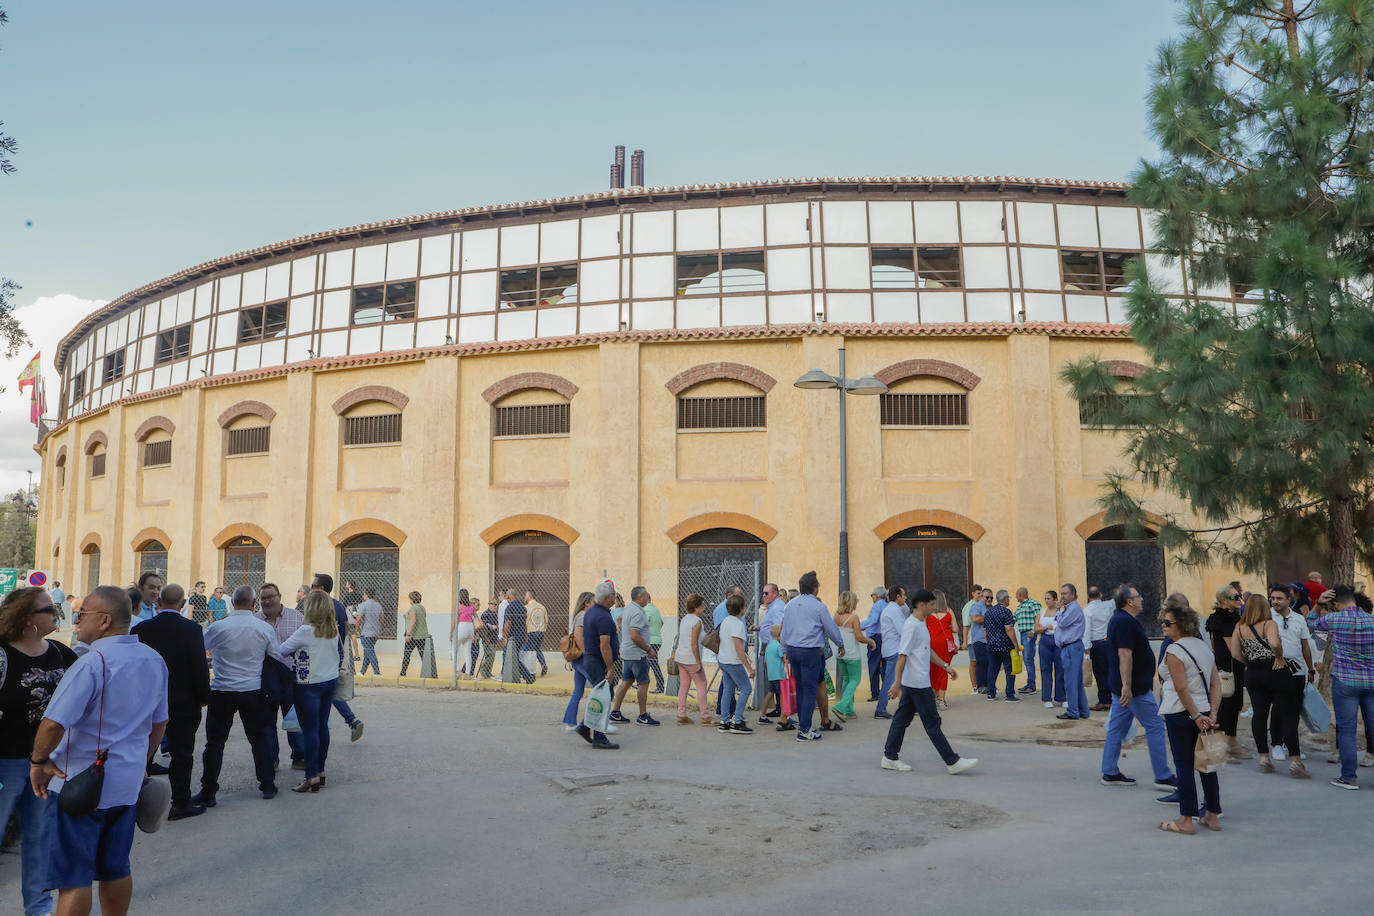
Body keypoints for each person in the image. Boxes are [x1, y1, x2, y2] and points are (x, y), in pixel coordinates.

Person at [29, 586, 169, 916]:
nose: (77, 621)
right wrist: (142, 761)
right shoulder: (154, 659)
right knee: (116, 867)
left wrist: (38, 761)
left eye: (84, 615)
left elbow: (53, 724)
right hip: (126, 783)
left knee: (74, 877)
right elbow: (159, 723)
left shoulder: (94, 663)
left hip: (81, 784)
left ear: (104, 621)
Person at [0, 586, 77, 916]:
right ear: (28, 619)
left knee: (39, 840)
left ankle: (38, 910)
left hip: (47, 764)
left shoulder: (61, 652)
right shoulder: (3, 655)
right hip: (5, 763)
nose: (56, 614)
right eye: (49, 609)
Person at [194, 585, 280, 806]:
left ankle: (209, 791)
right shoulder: (263, 628)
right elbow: (275, 655)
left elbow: (201, 648)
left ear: (232, 603)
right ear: (254, 604)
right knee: (259, 739)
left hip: (223, 689)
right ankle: (267, 784)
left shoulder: (219, 627)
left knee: (215, 742)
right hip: (253, 689)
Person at [131, 583, 211, 820]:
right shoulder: (191, 629)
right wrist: (204, 696)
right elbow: (199, 666)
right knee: (182, 753)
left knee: (143, 749)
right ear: (184, 602)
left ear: (159, 602)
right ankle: (180, 802)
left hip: (149, 700)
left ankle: (131, 798)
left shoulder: (143, 628)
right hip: (183, 702)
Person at [881, 588, 978, 775]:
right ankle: (952, 761)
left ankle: (890, 757)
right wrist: (897, 682)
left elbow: (927, 650)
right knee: (932, 722)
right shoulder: (911, 626)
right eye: (932, 604)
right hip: (918, 683)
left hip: (916, 682)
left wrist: (945, 666)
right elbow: (902, 656)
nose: (934, 607)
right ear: (922, 605)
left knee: (901, 720)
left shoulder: (921, 623)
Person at [1099, 584, 1177, 792]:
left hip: (1125, 687)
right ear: (1129, 602)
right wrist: (1127, 686)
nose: (1142, 598)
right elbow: (1125, 654)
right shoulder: (1124, 622)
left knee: (1116, 728)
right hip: (1133, 689)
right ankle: (1163, 776)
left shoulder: (1122, 620)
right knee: (1155, 726)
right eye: (1138, 596)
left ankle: (1109, 771)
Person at [1156, 604, 1223, 834]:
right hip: (1205, 711)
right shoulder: (1204, 648)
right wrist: (1212, 713)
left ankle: (1186, 819)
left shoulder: (1175, 651)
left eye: (1167, 623)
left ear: (1181, 625)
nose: (1163, 626)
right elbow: (1216, 683)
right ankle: (1212, 815)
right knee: (1208, 764)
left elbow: (1181, 689)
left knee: (1184, 765)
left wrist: (1195, 715)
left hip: (1181, 712)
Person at [278, 592, 341, 793]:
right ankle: (320, 771)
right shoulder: (333, 630)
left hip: (307, 684)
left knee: (309, 730)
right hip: (328, 681)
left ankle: (311, 775)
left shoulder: (305, 631)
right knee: (322, 727)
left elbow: (281, 650)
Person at [1312, 584, 1374, 789]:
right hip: (1372, 681)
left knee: (1347, 730)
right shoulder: (1372, 621)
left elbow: (1310, 624)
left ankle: (1348, 777)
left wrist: (1319, 603)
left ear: (1336, 603)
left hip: (1345, 680)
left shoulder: (1335, 619)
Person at [1225, 594, 1288, 776]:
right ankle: (1285, 749)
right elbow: (1275, 643)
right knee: (1281, 710)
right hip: (1272, 668)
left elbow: (1235, 654)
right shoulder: (1269, 624)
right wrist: (1279, 656)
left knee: (1259, 714)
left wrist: (1249, 662)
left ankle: (1263, 757)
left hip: (1252, 672)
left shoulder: (1239, 626)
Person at [780, 571, 845, 742]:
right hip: (810, 652)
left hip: (793, 650)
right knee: (810, 690)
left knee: (801, 688)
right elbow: (830, 628)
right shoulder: (818, 606)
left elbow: (784, 629)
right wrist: (840, 643)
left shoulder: (790, 605)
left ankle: (804, 725)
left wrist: (784, 649)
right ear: (815, 588)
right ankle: (804, 729)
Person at [254, 583, 306, 771]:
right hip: (264, 680)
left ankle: (299, 756)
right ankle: (271, 758)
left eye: (271, 596)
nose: (267, 601)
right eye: (263, 598)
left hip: (291, 678)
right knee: (267, 721)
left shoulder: (297, 617)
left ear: (280, 596)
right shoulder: (255, 620)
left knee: (293, 718)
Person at [311, 574, 365, 742]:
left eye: (313, 586)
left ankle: (347, 721)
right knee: (329, 691)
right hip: (336, 655)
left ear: (321, 588)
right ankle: (351, 721)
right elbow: (346, 628)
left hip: (321, 656)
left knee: (322, 692)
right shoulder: (340, 606)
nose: (311, 589)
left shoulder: (318, 606)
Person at [1268, 584, 1313, 777]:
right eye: (1273, 598)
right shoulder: (1267, 617)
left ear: (1288, 600)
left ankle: (1290, 742)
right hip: (1277, 668)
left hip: (1297, 670)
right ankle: (1276, 744)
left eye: (1279, 598)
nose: (1275, 601)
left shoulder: (1298, 619)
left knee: (1294, 709)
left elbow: (1305, 645)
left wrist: (1310, 668)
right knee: (1278, 707)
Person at [1206, 584, 1250, 760]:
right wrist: (1250, 662)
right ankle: (1218, 747)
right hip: (1228, 665)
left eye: (1240, 596)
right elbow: (1233, 648)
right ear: (1224, 600)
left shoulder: (1234, 617)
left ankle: (1231, 740)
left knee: (1236, 703)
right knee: (1225, 705)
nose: (1240, 600)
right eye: (1235, 597)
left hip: (1234, 666)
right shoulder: (1223, 618)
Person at [574, 581, 620, 749]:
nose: (615, 597)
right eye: (614, 595)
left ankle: (585, 726)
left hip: (592, 659)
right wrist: (610, 668)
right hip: (597, 661)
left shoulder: (593, 612)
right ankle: (599, 737)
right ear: (608, 598)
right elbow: (604, 645)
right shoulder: (603, 616)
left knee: (601, 695)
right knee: (604, 696)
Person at [610, 586, 659, 726]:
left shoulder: (628, 609)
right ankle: (643, 715)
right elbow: (634, 635)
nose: (647, 597)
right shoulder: (637, 612)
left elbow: (619, 620)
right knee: (643, 683)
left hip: (627, 652)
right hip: (637, 653)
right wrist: (648, 649)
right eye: (646, 595)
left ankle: (615, 712)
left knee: (627, 681)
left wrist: (622, 630)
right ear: (640, 597)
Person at [671, 593, 714, 727]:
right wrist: (698, 662)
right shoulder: (697, 621)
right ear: (696, 607)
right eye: (702, 606)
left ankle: (681, 714)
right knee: (701, 684)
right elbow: (694, 643)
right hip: (691, 658)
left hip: (681, 657)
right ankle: (705, 716)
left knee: (684, 685)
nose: (703, 608)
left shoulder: (685, 619)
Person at [715, 594, 754, 734]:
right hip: (733, 661)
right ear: (742, 609)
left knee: (728, 689)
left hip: (723, 659)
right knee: (746, 689)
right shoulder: (738, 624)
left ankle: (725, 721)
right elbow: (739, 649)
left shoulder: (726, 620)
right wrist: (749, 668)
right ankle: (737, 721)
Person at [832, 590, 874, 719]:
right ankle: (841, 706)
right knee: (855, 680)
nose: (857, 602)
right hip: (852, 654)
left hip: (840, 653)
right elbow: (859, 637)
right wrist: (870, 641)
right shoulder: (853, 618)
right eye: (856, 600)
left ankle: (849, 710)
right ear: (851, 602)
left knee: (847, 679)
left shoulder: (836, 616)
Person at [1054, 584, 1090, 719]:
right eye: (1061, 593)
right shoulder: (1069, 608)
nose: (1062, 596)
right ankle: (1083, 710)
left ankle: (1073, 711)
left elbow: (1062, 623)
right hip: (1069, 648)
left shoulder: (1073, 608)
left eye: (1065, 593)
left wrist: (1058, 610)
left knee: (1070, 681)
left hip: (1072, 648)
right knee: (1076, 681)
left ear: (1073, 595)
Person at [562, 592, 596, 731]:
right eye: (593, 601)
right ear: (586, 603)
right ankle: (595, 722)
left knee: (578, 690)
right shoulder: (582, 615)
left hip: (578, 658)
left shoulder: (581, 615)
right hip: (582, 658)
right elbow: (578, 635)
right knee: (599, 687)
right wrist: (587, 653)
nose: (596, 603)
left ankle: (570, 723)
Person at [982, 589, 1019, 701]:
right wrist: (1016, 645)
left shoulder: (988, 612)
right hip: (1005, 646)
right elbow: (1009, 629)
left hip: (991, 645)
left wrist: (989, 641)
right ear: (1005, 599)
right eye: (1009, 598)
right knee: (1009, 669)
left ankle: (991, 693)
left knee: (992, 669)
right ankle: (1009, 695)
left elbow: (985, 630)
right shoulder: (1006, 612)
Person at [875, 586, 906, 719]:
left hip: (891, 649)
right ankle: (881, 708)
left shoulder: (890, 609)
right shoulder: (894, 610)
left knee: (900, 679)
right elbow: (902, 630)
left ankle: (906, 706)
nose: (905, 597)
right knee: (890, 680)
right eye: (903, 595)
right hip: (895, 649)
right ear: (898, 597)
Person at [756, 583, 787, 719]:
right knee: (774, 687)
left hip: (774, 651)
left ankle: (783, 713)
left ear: (775, 593)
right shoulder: (772, 607)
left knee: (778, 687)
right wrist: (760, 628)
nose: (764, 596)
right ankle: (780, 711)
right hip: (771, 650)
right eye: (763, 593)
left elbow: (780, 627)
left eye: (766, 593)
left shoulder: (777, 608)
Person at [1082, 585, 1115, 711]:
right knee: (1111, 670)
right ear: (1100, 595)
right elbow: (1115, 601)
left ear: (1088, 597)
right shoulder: (1108, 605)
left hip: (1096, 644)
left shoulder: (1088, 610)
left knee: (1100, 673)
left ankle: (1105, 700)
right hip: (1109, 642)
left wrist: (1086, 647)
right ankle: (1114, 698)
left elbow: (1086, 630)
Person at [927, 590, 958, 709]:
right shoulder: (949, 611)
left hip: (932, 643)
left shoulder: (928, 613)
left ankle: (935, 698)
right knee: (944, 670)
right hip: (946, 644)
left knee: (933, 671)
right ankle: (942, 700)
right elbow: (955, 629)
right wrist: (948, 626)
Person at [1036, 589, 1064, 708]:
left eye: (1049, 598)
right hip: (1045, 641)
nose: (1046, 601)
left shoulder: (1062, 611)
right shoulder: (1041, 612)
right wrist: (1045, 627)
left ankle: (1062, 697)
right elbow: (1036, 628)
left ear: (1055, 599)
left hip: (1058, 641)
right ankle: (1047, 698)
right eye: (1045, 599)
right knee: (1045, 669)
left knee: (1060, 669)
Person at [1012, 587, 1042, 696]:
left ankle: (1031, 686)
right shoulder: (1020, 607)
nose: (1016, 597)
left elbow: (1040, 617)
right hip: (1022, 635)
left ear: (1020, 594)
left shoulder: (1032, 603)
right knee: (1026, 658)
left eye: (1016, 595)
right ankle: (1029, 684)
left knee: (1028, 659)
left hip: (1029, 634)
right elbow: (1012, 618)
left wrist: (1033, 631)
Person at [861, 586, 888, 703]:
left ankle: (875, 693)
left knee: (873, 665)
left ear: (876, 595)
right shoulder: (887, 605)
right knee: (885, 666)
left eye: (872, 595)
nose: (872, 597)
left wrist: (857, 625)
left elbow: (872, 621)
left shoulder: (877, 606)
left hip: (875, 638)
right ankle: (886, 691)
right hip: (885, 637)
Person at [501, 588, 534, 684]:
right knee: (515, 657)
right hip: (521, 635)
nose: (506, 599)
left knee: (512, 657)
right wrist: (526, 634)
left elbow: (507, 623)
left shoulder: (509, 607)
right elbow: (525, 622)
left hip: (513, 637)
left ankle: (528, 676)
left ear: (509, 597)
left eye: (507, 597)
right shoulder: (522, 607)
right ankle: (520, 675)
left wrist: (505, 637)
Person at [962, 584, 987, 694]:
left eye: (981, 594)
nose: (980, 595)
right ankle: (974, 686)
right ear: (972, 594)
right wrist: (964, 642)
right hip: (973, 638)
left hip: (983, 639)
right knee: (974, 662)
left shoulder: (983, 605)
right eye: (978, 593)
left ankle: (984, 684)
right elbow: (966, 625)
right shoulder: (969, 606)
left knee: (983, 661)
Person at [399, 591, 430, 677]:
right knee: (423, 656)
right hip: (422, 635)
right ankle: (428, 673)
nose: (409, 600)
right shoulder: (422, 608)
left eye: (410, 599)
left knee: (407, 655)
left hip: (413, 636)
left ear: (412, 599)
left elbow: (413, 621)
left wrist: (408, 634)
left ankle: (403, 673)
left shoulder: (413, 608)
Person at [355, 588, 384, 676]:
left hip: (366, 633)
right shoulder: (378, 605)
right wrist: (376, 624)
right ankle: (362, 672)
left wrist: (357, 629)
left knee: (370, 652)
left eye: (364, 594)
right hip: (375, 633)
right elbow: (382, 617)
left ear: (366, 595)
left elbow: (358, 619)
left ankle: (377, 672)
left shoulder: (363, 605)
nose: (363, 596)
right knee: (367, 652)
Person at [641, 593, 664, 693]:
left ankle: (660, 686)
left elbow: (642, 624)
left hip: (650, 641)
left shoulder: (646, 610)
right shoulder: (655, 609)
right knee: (648, 663)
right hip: (657, 640)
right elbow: (662, 622)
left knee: (652, 664)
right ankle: (643, 683)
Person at [452, 588, 478, 679]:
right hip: (470, 627)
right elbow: (473, 618)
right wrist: (474, 634)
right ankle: (467, 673)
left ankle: (457, 670)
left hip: (462, 626)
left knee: (454, 648)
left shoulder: (459, 605)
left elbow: (455, 620)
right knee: (467, 652)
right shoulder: (471, 606)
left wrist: (451, 632)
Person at [524, 589, 549, 678]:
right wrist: (543, 629)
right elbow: (546, 620)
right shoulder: (542, 607)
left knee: (530, 651)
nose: (525, 596)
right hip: (541, 632)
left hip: (531, 632)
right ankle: (543, 664)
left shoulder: (526, 608)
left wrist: (525, 633)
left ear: (529, 596)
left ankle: (531, 670)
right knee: (537, 649)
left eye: (526, 595)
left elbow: (525, 621)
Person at [477, 598, 500, 679]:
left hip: (494, 638)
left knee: (492, 656)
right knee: (489, 655)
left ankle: (488, 672)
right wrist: (489, 626)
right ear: (490, 605)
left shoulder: (495, 614)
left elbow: (497, 624)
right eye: (494, 604)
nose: (495, 606)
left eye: (496, 605)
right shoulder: (485, 614)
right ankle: (483, 670)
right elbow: (482, 627)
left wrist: (496, 626)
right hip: (487, 638)